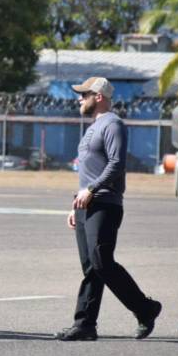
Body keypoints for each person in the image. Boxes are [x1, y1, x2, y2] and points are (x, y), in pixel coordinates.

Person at [55, 77, 161, 341]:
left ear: (98, 96)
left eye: (84, 94)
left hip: (104, 202)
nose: (79, 98)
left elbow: (116, 164)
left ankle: (145, 308)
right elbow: (88, 171)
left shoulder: (113, 124)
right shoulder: (93, 126)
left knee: (102, 261)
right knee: (91, 267)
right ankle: (85, 325)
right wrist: (76, 206)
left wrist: (91, 190)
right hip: (86, 205)